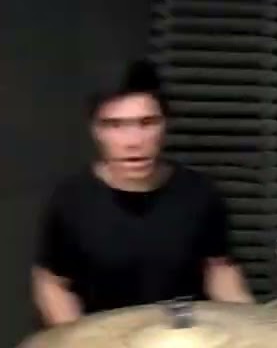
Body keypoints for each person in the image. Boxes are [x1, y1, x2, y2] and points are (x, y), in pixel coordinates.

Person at [31, 60, 253, 325]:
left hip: (181, 337)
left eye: (147, 122)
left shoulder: (200, 192)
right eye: (115, 125)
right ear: (95, 130)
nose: (133, 142)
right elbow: (52, 283)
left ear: (165, 124)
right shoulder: (70, 200)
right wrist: (77, 336)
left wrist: (252, 322)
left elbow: (219, 268)